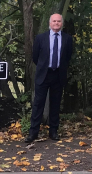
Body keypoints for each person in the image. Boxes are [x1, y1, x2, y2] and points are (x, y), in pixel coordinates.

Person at [26, 13, 74, 143]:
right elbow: (35, 57)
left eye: (59, 21)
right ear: (50, 23)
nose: (56, 23)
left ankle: (53, 131)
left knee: (55, 104)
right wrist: (43, 67)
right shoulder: (41, 38)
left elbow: (68, 57)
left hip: (58, 74)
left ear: (62, 23)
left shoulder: (67, 39)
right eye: (54, 21)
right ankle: (33, 132)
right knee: (38, 104)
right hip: (43, 74)